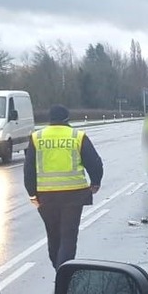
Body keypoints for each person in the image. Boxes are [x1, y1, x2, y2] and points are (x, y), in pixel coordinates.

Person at [25, 105, 103, 268]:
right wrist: (95, 182)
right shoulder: (77, 136)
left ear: (50, 119)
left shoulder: (36, 137)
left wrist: (32, 194)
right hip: (73, 196)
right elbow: (94, 162)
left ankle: (58, 268)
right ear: (67, 119)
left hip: (46, 196)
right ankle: (64, 273)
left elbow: (29, 169)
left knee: (53, 236)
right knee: (68, 237)